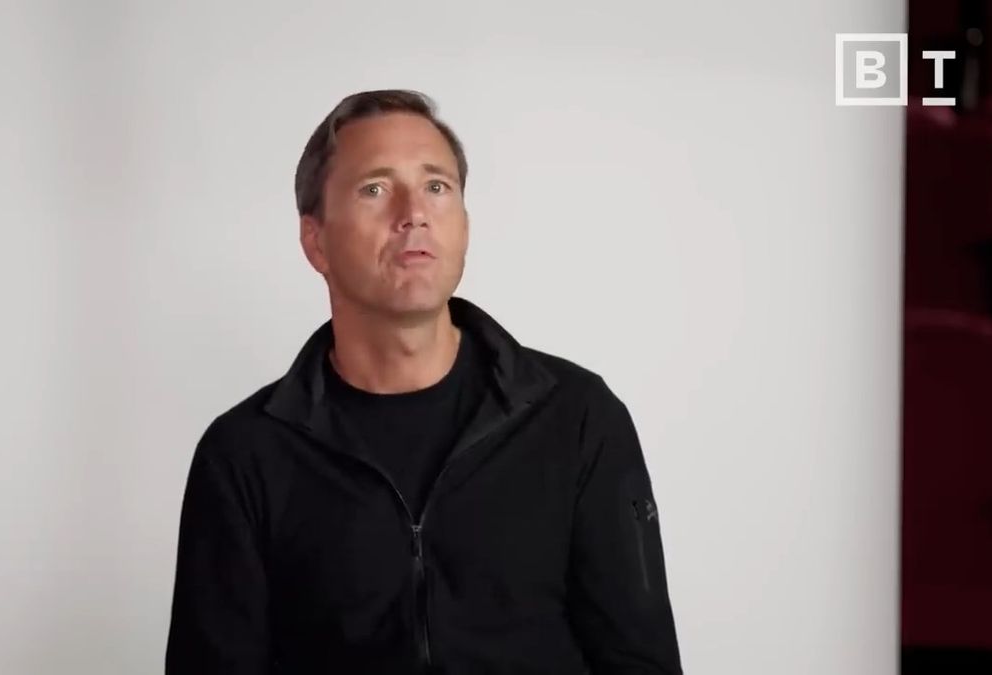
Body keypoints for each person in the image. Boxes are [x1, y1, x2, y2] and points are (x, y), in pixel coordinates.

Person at [166, 89, 682, 674]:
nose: (414, 212)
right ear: (316, 241)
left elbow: (641, 662)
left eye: (437, 186)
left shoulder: (577, 418)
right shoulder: (244, 454)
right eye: (374, 189)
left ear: (464, 224)